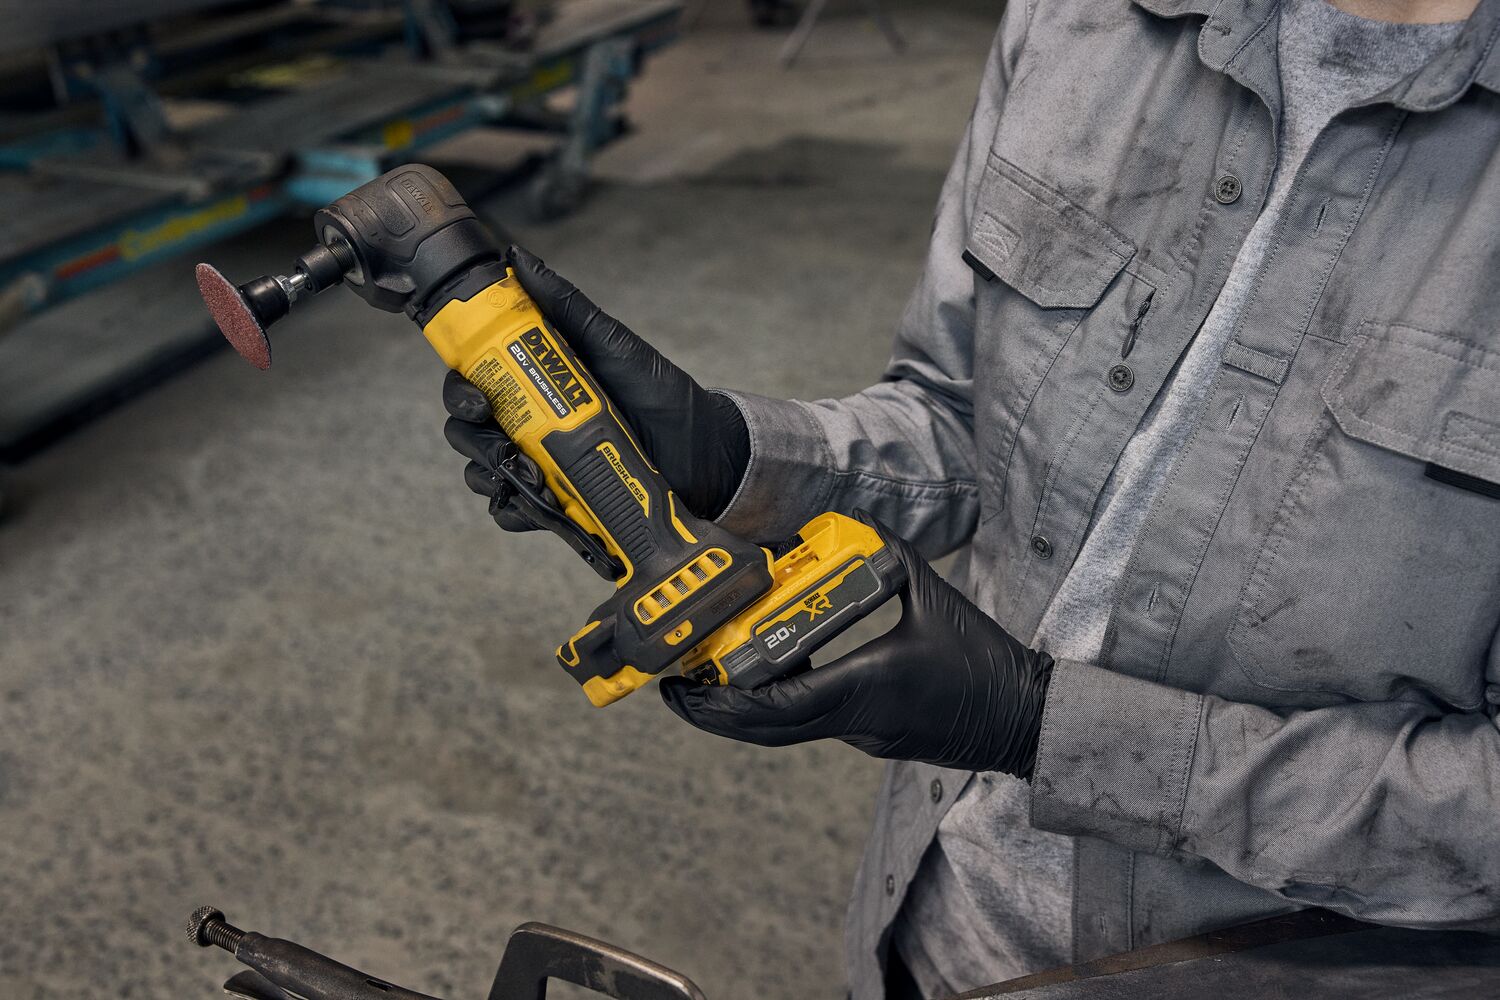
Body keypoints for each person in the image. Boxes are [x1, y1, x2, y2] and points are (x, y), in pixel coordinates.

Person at [443, 0, 1500, 996]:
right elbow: (964, 415)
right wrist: (732, 454)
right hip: (935, 912)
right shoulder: (1088, 23)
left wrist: (1041, 726)